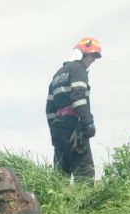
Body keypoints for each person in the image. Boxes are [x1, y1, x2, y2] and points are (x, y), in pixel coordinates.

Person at [46, 37, 103, 183]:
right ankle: (85, 206)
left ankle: (58, 204)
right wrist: (88, 122)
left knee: (60, 174)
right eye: (93, 55)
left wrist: (54, 132)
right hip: (74, 128)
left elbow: (49, 108)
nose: (94, 60)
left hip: (59, 128)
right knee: (84, 174)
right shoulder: (78, 69)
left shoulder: (57, 74)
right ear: (83, 53)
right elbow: (78, 99)